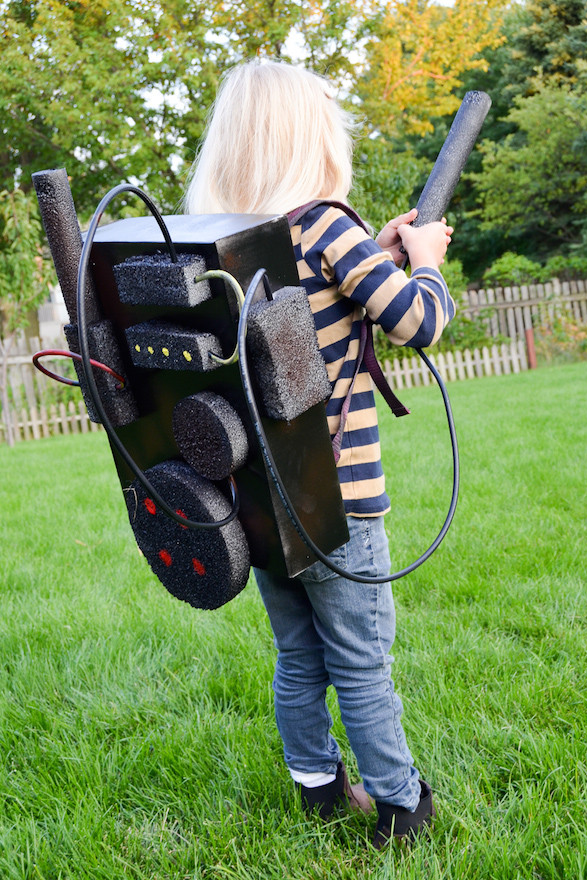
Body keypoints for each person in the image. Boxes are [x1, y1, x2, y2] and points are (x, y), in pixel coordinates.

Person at [184, 60, 455, 848]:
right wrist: (426, 257)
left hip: (264, 504)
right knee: (363, 660)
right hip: (343, 505)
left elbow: (316, 312)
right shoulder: (326, 224)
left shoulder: (233, 248)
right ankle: (402, 805)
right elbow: (417, 321)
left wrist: (380, 246)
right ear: (315, 137)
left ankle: (318, 789)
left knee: (299, 655)